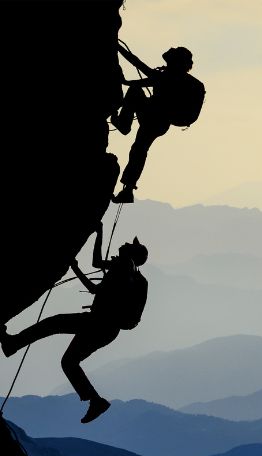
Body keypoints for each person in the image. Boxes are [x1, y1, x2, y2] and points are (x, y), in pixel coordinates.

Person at [0, 223, 148, 423]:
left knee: (54, 324)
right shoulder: (129, 271)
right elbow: (97, 264)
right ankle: (95, 400)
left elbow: (95, 287)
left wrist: (77, 265)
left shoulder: (122, 266)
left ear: (132, 252)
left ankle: (13, 344)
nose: (124, 243)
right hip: (107, 329)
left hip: (97, 323)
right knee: (68, 361)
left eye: (129, 244)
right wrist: (98, 235)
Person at [110, 44, 195, 203]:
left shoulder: (167, 77)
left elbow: (136, 63)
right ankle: (128, 189)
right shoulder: (182, 80)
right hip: (161, 123)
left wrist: (116, 46)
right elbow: (143, 74)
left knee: (139, 148)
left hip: (153, 117)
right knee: (139, 149)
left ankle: (123, 124)